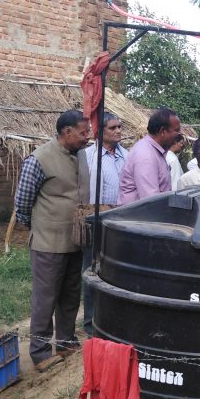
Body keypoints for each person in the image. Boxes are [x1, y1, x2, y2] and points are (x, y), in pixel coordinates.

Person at [14, 109, 91, 369]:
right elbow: (22, 204)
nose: (87, 136)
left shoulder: (80, 155)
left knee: (70, 295)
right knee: (45, 298)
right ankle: (40, 352)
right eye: (83, 132)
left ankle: (66, 342)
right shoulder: (39, 159)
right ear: (67, 132)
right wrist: (41, 227)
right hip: (48, 243)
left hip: (75, 241)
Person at [78, 113, 128, 336]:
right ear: (100, 131)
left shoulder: (127, 156)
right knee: (91, 271)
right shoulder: (87, 156)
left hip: (119, 222)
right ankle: (91, 323)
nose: (118, 131)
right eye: (112, 128)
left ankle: (115, 321)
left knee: (117, 273)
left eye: (119, 126)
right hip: (95, 221)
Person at [118, 108, 182, 204]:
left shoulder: (155, 152)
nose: (180, 134)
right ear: (163, 131)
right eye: (176, 130)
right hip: (138, 217)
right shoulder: (146, 156)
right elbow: (151, 202)